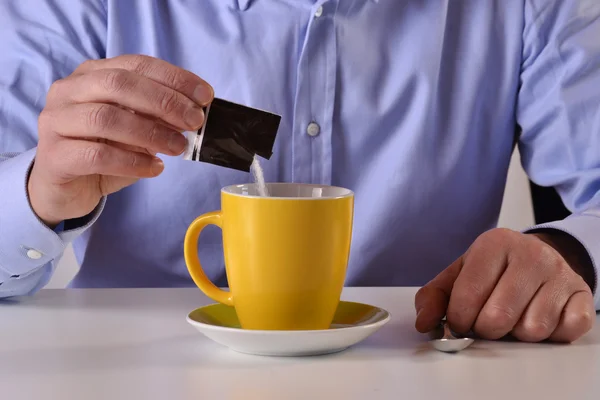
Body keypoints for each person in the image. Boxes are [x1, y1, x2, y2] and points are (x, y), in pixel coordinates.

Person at [0, 0, 598, 343]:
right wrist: (37, 195)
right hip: (129, 371)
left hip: (414, 366)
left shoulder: (527, 8)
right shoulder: (68, 7)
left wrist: (567, 251)